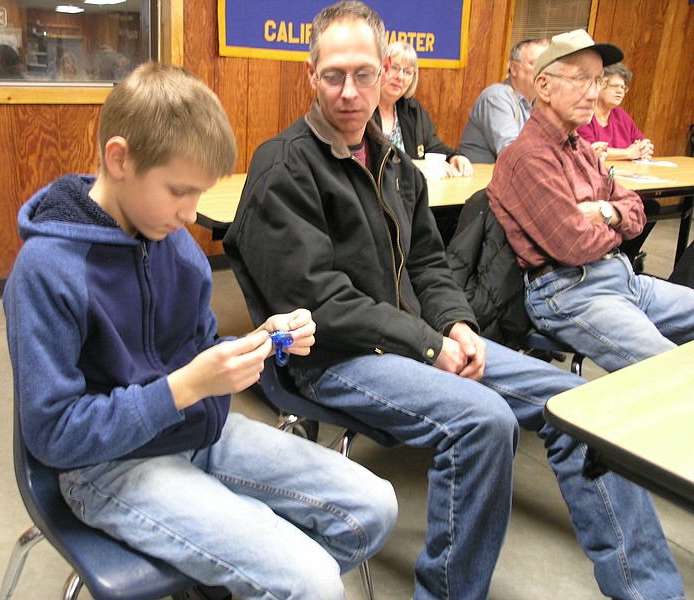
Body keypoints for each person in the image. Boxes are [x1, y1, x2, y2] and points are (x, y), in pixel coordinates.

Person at [224, 4, 685, 599]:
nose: (348, 91)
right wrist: (429, 342)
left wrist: (458, 323)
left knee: (580, 406)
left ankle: (649, 590)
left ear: (382, 70)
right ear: (310, 75)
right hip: (329, 360)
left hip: (411, 339)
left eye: (364, 74)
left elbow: (428, 264)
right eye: (333, 74)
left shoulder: (395, 164)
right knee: (484, 422)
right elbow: (321, 305)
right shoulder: (285, 165)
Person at [2, 62, 397, 600]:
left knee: (373, 506)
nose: (191, 216)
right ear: (119, 159)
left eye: (200, 195)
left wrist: (259, 341)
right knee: (313, 583)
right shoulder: (48, 271)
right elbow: (52, 435)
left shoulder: (179, 250)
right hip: (104, 467)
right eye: (179, 192)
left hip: (198, 432)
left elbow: (200, 350)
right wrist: (184, 388)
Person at [488, 29, 694, 374]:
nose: (593, 92)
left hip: (620, 277)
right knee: (673, 374)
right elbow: (574, 244)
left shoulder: (579, 146)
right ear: (544, 86)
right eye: (581, 79)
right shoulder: (528, 156)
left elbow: (636, 209)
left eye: (597, 80)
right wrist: (617, 225)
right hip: (571, 289)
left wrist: (604, 212)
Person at [373, 41, 473, 178]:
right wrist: (415, 165)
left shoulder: (412, 110)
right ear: (382, 68)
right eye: (395, 67)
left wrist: (454, 156)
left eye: (407, 72)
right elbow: (370, 160)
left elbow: (433, 146)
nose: (400, 77)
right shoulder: (365, 107)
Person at [458, 37, 549, 163]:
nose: (544, 71)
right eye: (535, 63)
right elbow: (513, 154)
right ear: (513, 68)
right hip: (479, 180)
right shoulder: (497, 96)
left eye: (547, 64)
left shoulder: (538, 103)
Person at [577, 62, 654, 161]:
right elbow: (589, 151)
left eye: (623, 87)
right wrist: (628, 153)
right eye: (615, 86)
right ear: (599, 85)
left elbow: (641, 143)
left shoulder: (621, 115)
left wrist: (644, 149)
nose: (620, 91)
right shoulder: (584, 113)